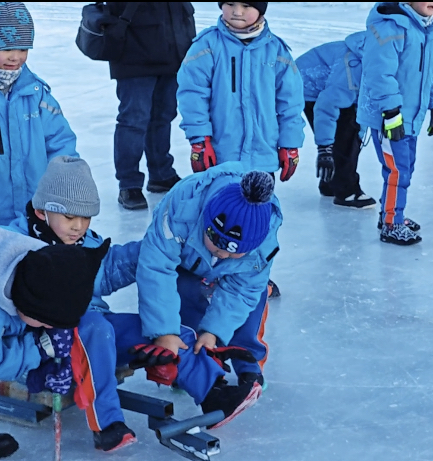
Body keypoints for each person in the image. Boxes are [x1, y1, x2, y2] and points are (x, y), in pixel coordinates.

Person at [4, 156, 261, 451]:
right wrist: (40, 344)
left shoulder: (81, 241)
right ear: (41, 211)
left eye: (86, 218)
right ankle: (108, 424)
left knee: (167, 331)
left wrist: (154, 251)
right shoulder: (21, 251)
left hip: (95, 331)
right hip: (49, 345)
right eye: (71, 218)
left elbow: (108, 270)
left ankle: (213, 391)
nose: (79, 227)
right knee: (96, 327)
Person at [137, 164, 282, 393]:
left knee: (256, 296)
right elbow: (156, 269)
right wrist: (165, 332)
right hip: (186, 262)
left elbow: (242, 292)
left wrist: (213, 332)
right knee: (184, 289)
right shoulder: (182, 206)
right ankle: (188, 357)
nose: (221, 253)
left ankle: (247, 360)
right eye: (215, 239)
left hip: (235, 277)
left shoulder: (264, 239)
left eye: (233, 250)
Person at [0, 227, 109, 456]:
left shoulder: (44, 265)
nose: (51, 328)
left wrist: (45, 363)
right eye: (46, 321)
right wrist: (37, 349)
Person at [177, 2, 305, 183]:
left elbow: (291, 102)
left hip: (262, 156)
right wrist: (200, 140)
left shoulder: (275, 49)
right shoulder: (207, 45)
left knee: (258, 210)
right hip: (221, 156)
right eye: (230, 4)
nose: (237, 12)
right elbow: (193, 94)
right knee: (222, 208)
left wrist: (290, 144)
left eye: (246, 5)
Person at [358, 2, 433, 245]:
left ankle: (392, 213)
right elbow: (379, 73)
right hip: (390, 117)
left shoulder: (429, 27)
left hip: (410, 115)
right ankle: (391, 223)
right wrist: (391, 112)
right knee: (398, 171)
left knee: (405, 167)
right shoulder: (390, 26)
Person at [103, 3, 195, 210]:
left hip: (174, 47)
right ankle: (129, 184)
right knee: (134, 119)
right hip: (134, 49)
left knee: (164, 115)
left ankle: (161, 174)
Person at [0, 2, 79, 226]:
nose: (15, 57)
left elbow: (60, 141)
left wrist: (64, 183)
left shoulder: (36, 94)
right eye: (6, 49)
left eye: (23, 49)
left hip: (34, 211)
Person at [295, 31, 377, 209]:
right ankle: (346, 192)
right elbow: (326, 106)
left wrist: (360, 134)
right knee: (344, 136)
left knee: (351, 133)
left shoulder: (379, 61)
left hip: (329, 89)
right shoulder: (354, 68)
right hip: (309, 87)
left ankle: (331, 182)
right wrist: (324, 148)